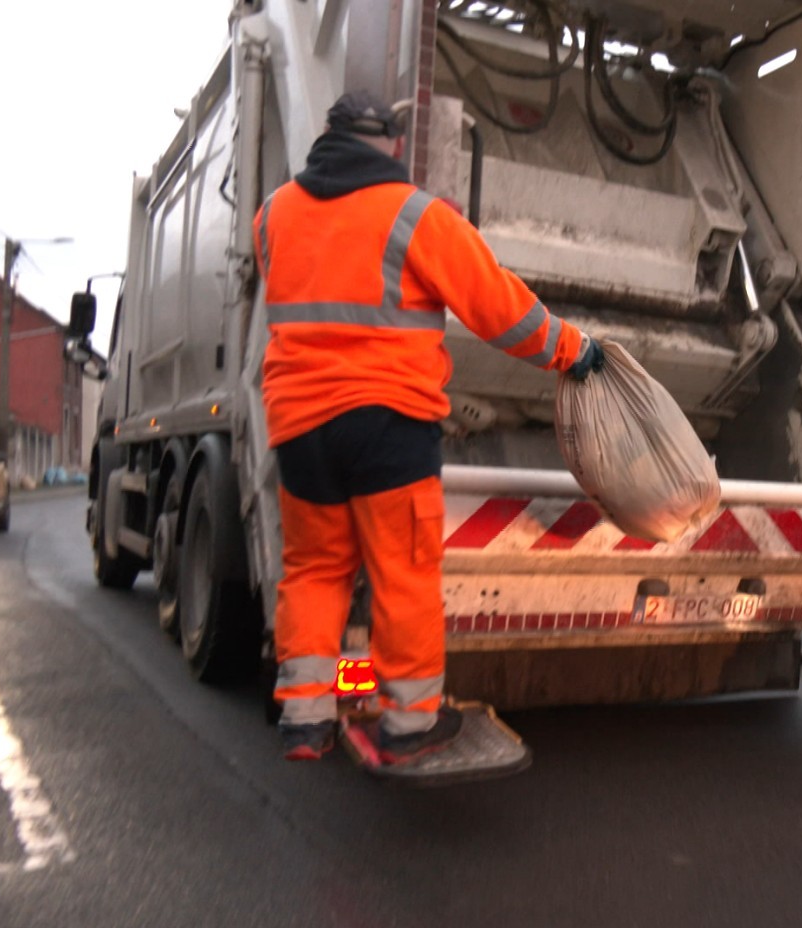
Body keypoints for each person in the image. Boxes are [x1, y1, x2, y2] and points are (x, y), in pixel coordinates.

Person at [256, 91, 605, 765]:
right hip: (388, 421)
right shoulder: (415, 215)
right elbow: (497, 308)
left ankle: (304, 719)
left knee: (313, 569)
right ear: (388, 143)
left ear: (328, 139)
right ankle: (409, 723)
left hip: (297, 425)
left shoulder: (273, 215)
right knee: (403, 570)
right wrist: (572, 350)